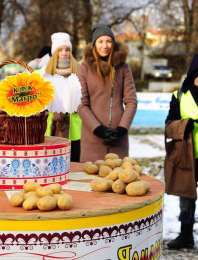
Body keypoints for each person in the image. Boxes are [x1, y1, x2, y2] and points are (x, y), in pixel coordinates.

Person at [165, 51, 198, 259]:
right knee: (186, 198)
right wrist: (185, 125)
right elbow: (169, 126)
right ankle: (186, 234)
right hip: (187, 155)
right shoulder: (178, 97)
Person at [77, 23, 137, 163]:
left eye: (109, 41)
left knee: (117, 182)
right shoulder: (84, 68)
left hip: (118, 140)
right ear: (94, 44)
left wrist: (122, 129)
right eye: (101, 41)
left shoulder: (123, 68)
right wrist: (98, 130)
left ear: (113, 44)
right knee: (91, 182)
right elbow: (81, 104)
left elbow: (131, 102)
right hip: (92, 139)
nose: (105, 45)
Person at [43, 32, 81, 162]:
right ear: (54, 52)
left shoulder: (79, 73)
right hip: (50, 129)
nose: (64, 53)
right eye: (60, 50)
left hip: (75, 131)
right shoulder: (44, 75)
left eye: (67, 50)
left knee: (74, 169)